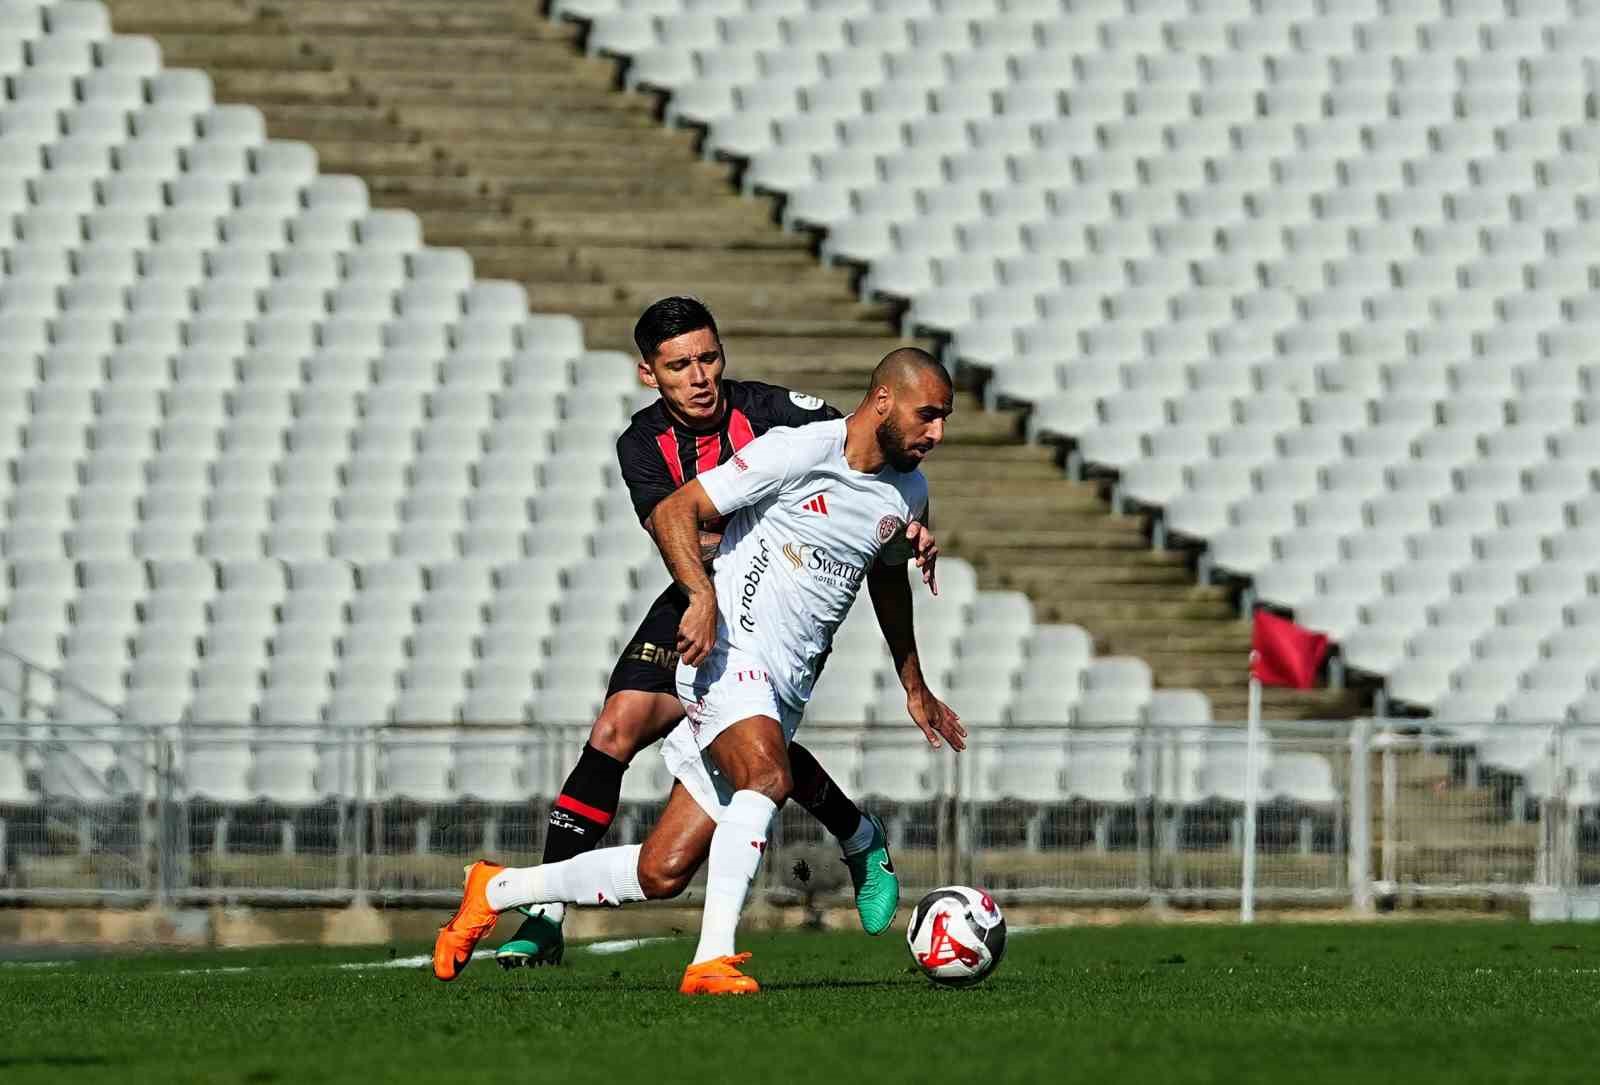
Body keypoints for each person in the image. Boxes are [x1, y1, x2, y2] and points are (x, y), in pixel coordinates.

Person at [434, 347, 964, 994]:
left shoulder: (910, 491)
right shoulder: (797, 451)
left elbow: (888, 583)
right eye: (927, 415)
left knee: (664, 869)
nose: (936, 433)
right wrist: (701, 595)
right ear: (883, 400)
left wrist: (916, 686)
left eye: (944, 419)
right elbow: (675, 509)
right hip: (725, 656)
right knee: (769, 773)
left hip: (784, 685)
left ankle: (498, 886)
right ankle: (711, 957)